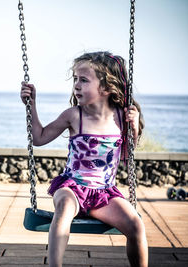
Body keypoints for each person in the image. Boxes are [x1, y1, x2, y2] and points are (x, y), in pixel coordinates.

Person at [20, 51, 148, 267]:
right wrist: (31, 105)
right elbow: (39, 138)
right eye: (75, 80)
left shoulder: (121, 117)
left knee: (136, 224)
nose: (76, 85)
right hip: (72, 187)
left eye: (84, 80)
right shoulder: (73, 115)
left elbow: (127, 154)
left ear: (106, 88)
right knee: (64, 209)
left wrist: (134, 127)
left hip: (104, 193)